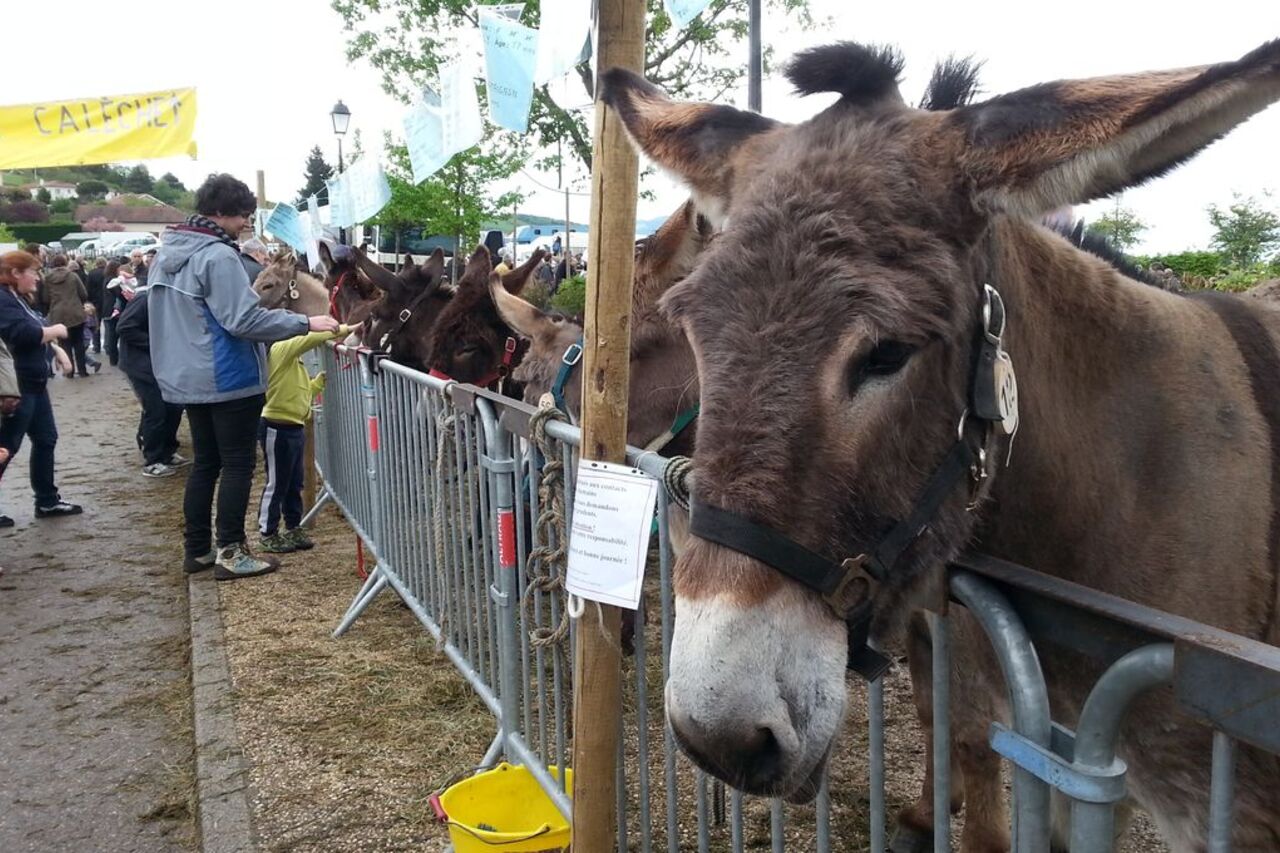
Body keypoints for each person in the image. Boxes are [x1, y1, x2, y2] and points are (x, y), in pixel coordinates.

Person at [148, 173, 339, 581]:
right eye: (242, 217)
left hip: (188, 378)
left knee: (206, 464)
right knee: (237, 465)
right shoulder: (217, 257)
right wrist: (306, 324)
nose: (245, 224)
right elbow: (242, 318)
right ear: (221, 212)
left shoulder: (166, 256)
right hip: (227, 375)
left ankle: (198, 550)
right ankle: (232, 552)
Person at [256, 321, 358, 554]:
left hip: (293, 427)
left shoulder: (294, 363)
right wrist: (346, 329)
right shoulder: (280, 349)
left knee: (294, 482)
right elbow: (310, 338)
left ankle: (292, 526)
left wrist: (317, 384)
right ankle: (267, 533)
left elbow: (300, 392)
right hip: (277, 427)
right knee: (277, 482)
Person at [0, 250, 81, 524]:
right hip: (17, 387)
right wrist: (56, 331)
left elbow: (36, 326)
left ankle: (47, 501)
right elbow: (23, 334)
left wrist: (56, 348)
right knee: (5, 447)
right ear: (15, 274)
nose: (38, 277)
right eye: (33, 272)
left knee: (46, 440)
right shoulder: (2, 299)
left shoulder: (16, 299)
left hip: (33, 383)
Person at [116, 275, 187, 478]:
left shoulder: (174, 299)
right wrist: (157, 345)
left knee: (173, 407)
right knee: (156, 410)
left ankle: (168, 450)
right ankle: (152, 459)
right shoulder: (146, 298)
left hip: (162, 365)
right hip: (141, 365)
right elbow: (125, 327)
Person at [42, 254, 99, 378]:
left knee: (64, 344)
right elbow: (83, 294)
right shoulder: (73, 276)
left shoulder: (47, 279)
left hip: (58, 315)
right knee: (79, 343)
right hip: (76, 313)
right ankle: (83, 371)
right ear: (65, 263)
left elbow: (45, 298)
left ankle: (69, 372)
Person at [85, 259, 106, 353]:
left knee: (96, 324)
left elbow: (88, 288)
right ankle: (107, 345)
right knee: (107, 324)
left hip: (95, 301)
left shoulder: (91, 273)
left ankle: (96, 346)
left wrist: (88, 301)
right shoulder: (107, 273)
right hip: (106, 301)